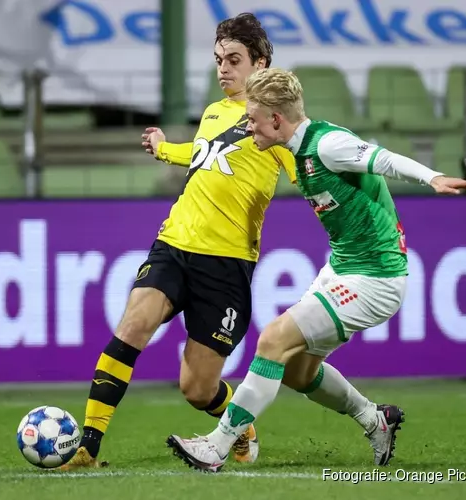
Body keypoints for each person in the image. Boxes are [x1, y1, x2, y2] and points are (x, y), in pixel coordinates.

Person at [166, 67, 466, 473]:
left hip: (375, 279)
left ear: (276, 120)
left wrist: (433, 177)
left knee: (273, 340)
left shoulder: (328, 145)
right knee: (299, 372)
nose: (248, 127)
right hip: (343, 269)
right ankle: (375, 419)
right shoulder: (298, 147)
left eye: (252, 118)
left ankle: (218, 445)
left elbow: (381, 159)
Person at [60, 14, 296, 470]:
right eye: (217, 60)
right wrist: (166, 148)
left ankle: (239, 424)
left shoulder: (277, 125)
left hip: (226, 266)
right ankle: (88, 446)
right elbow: (204, 152)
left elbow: (311, 167)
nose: (222, 69)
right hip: (175, 243)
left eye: (233, 60)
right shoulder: (213, 112)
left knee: (197, 389)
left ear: (260, 63)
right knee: (132, 326)